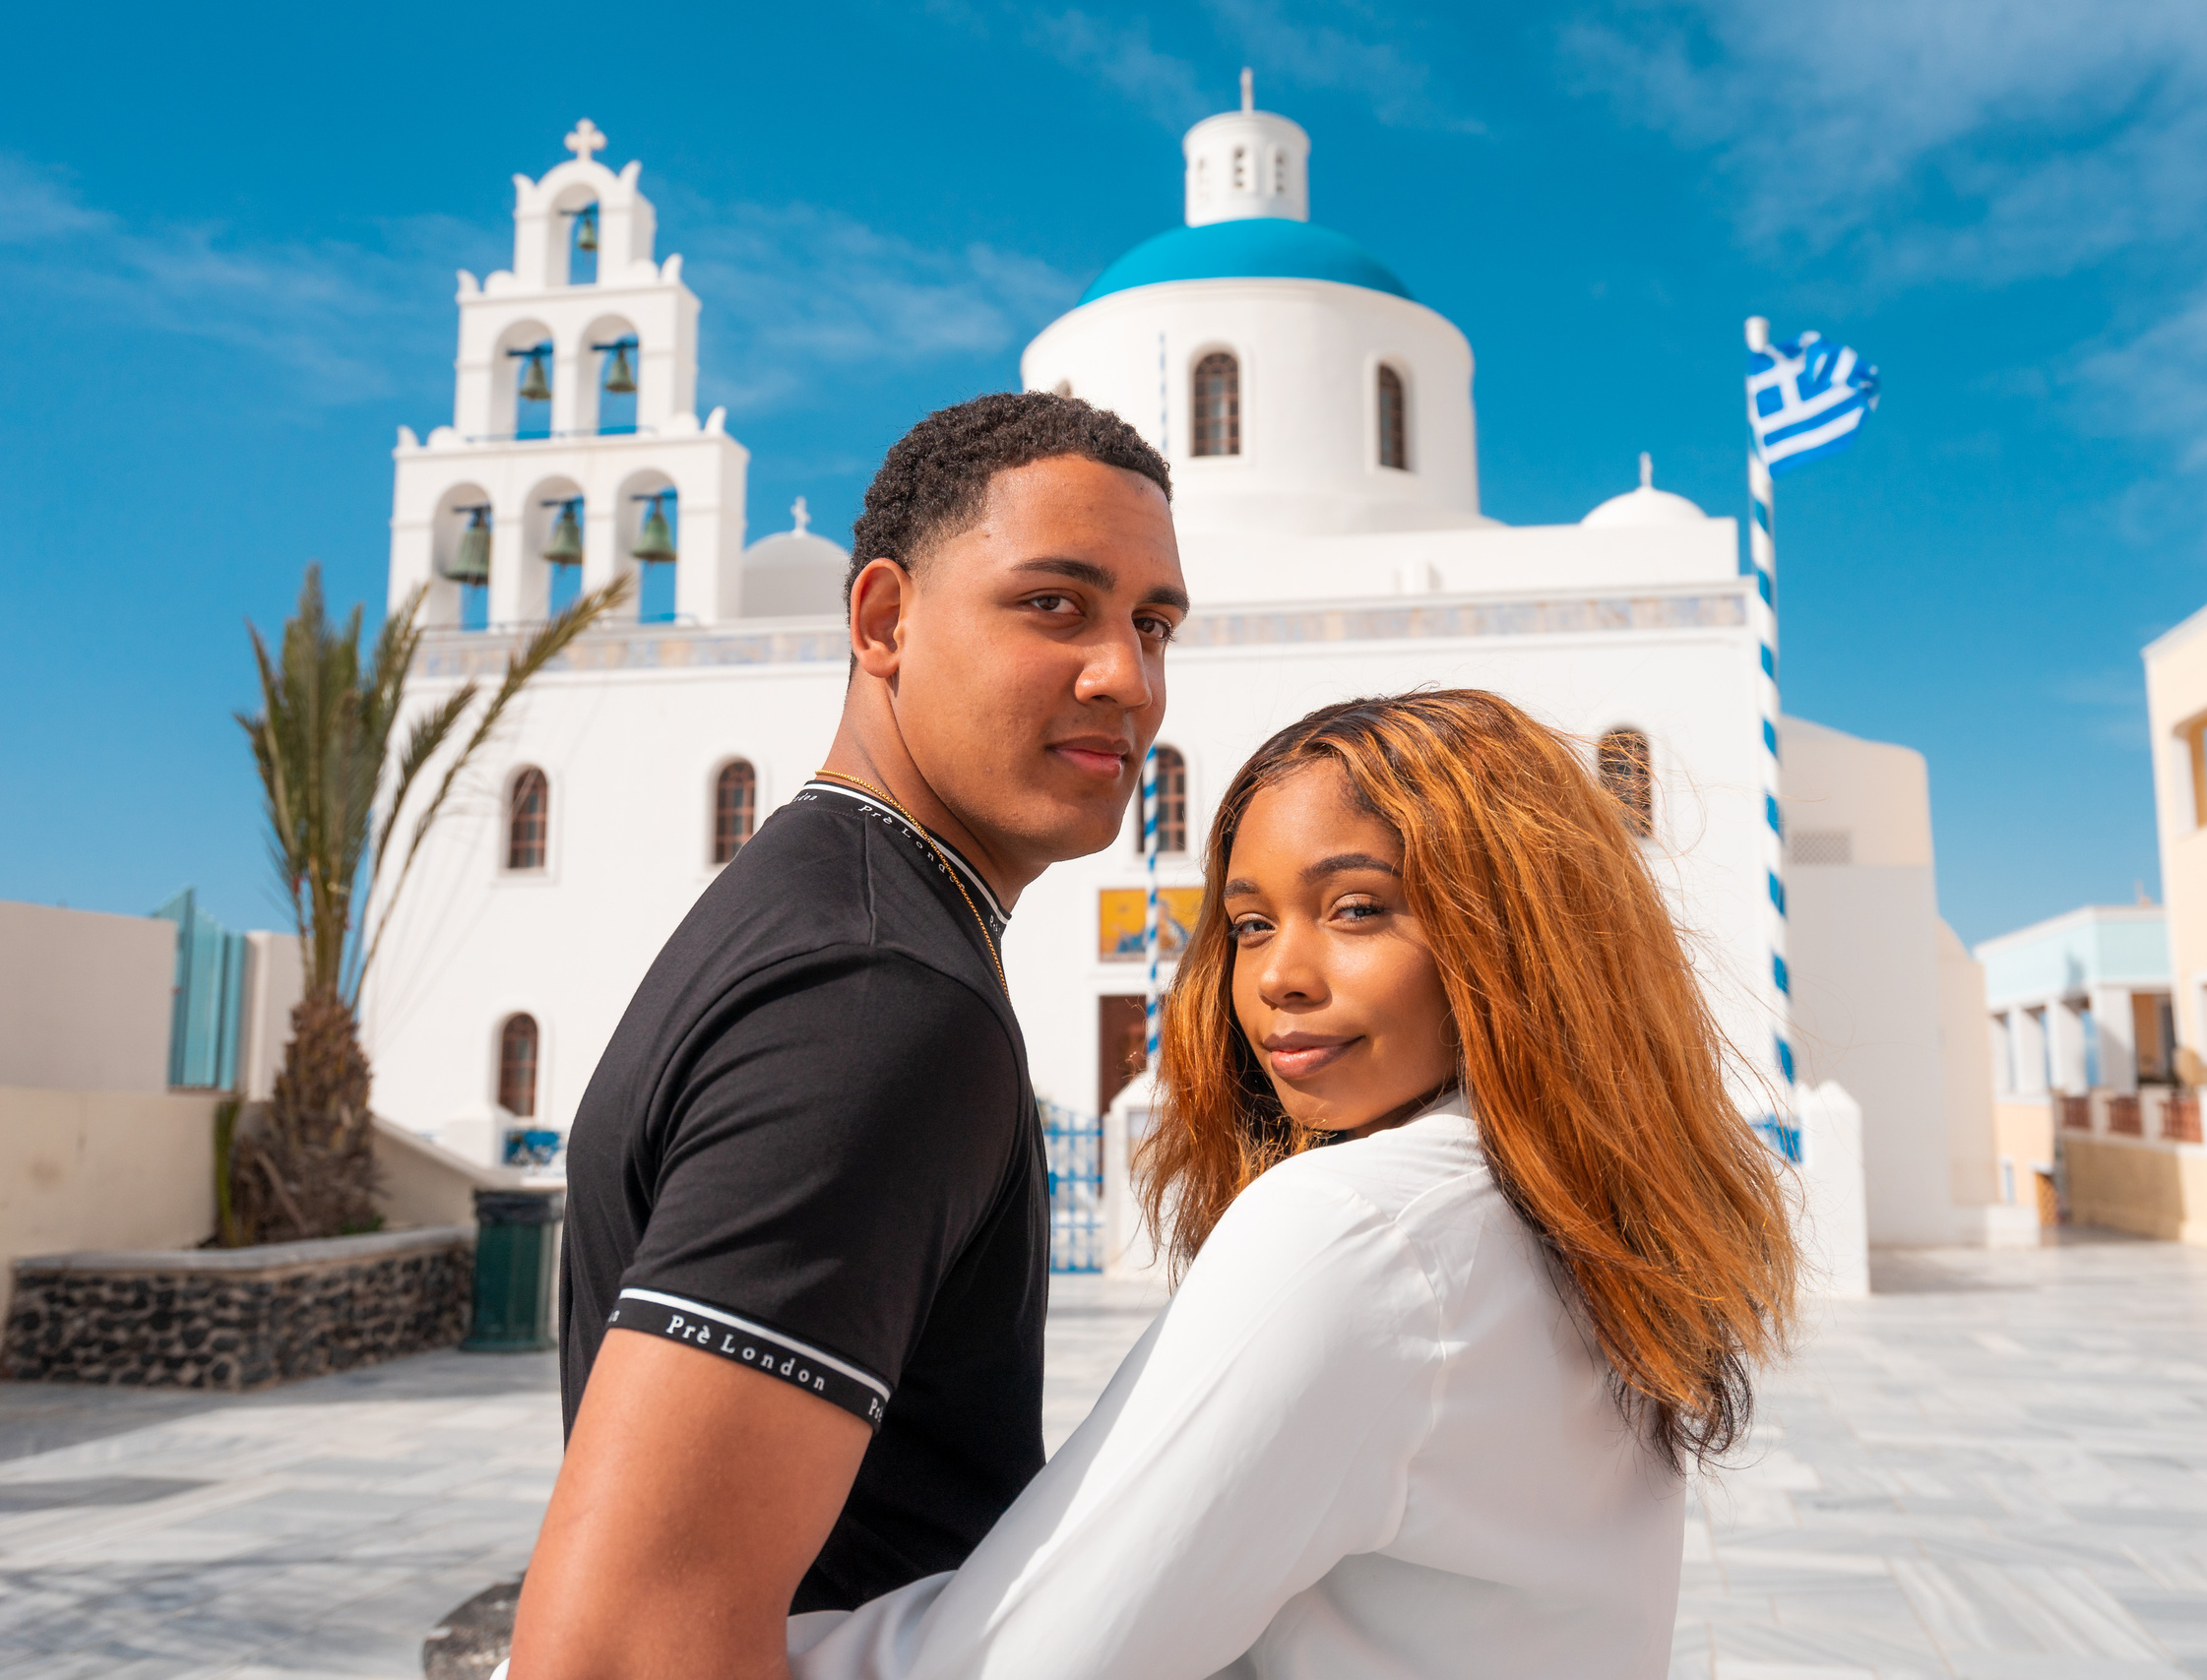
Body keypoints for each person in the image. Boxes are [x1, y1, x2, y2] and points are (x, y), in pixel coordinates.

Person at [787, 688, 1800, 1680]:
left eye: (1356, 909)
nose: (1278, 976)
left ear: (1516, 934)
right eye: (1251, 924)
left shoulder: (1359, 1229)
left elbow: (1018, 1660)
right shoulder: (1568, 1221)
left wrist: (700, 1641)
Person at [505, 393, 1190, 1680]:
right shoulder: (876, 994)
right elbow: (628, 1642)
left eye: (1153, 624)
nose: (1125, 676)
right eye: (1057, 604)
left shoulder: (843, 912)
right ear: (884, 618)